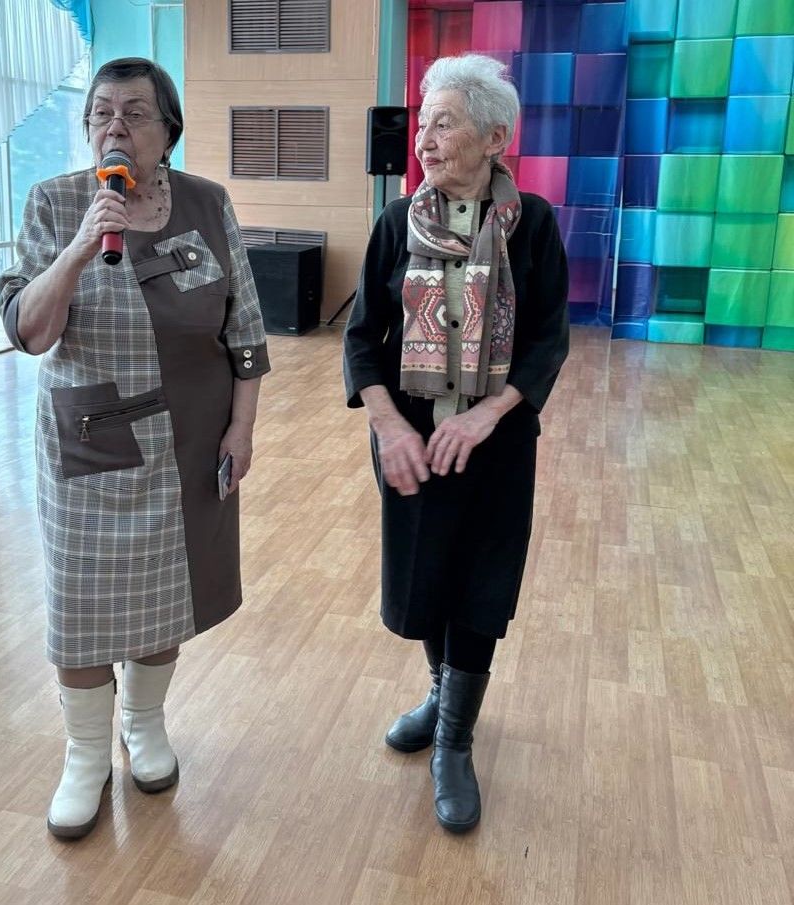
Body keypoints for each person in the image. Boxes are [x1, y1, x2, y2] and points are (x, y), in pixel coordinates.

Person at [0, 58, 270, 839]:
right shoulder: (55, 202)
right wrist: (81, 247)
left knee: (165, 595)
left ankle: (144, 724)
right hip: (91, 440)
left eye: (135, 112)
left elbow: (245, 329)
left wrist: (242, 427)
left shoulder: (208, 203)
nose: (114, 126)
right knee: (82, 605)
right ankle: (85, 754)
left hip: (191, 438)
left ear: (168, 131)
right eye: (100, 113)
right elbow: (29, 332)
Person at [342, 53, 569, 833]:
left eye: (444, 124)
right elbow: (360, 339)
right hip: (410, 434)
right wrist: (388, 426)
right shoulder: (395, 223)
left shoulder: (533, 223)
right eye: (423, 123)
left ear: (495, 138)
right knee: (426, 573)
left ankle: (455, 741)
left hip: (496, 441)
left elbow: (547, 339)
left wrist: (486, 414)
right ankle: (444, 694)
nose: (424, 140)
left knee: (482, 580)